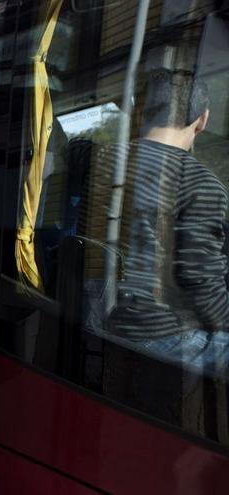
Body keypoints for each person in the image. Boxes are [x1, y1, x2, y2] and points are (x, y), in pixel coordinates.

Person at [105, 70, 229, 377]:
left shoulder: (104, 160)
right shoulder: (201, 182)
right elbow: (201, 283)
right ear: (202, 119)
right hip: (160, 336)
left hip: (101, 318)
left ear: (142, 109)